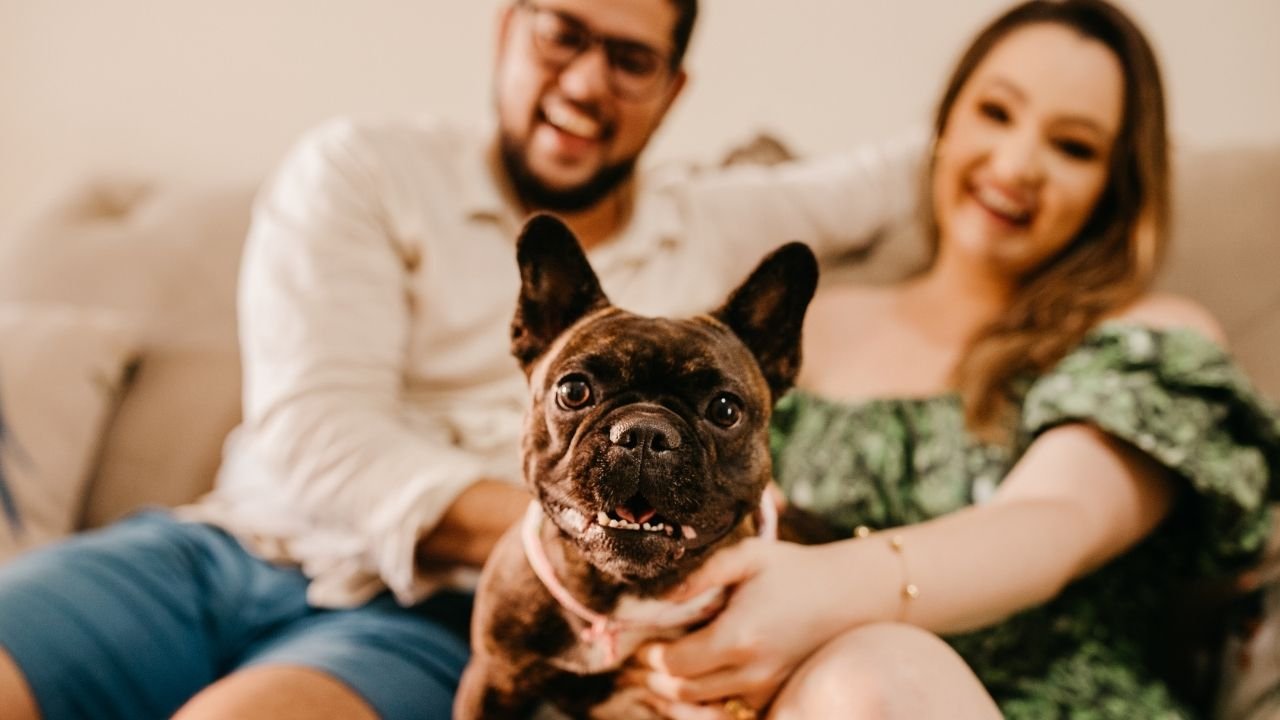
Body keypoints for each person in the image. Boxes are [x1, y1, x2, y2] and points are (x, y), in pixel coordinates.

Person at [0, 1, 924, 719]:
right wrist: (576, 528)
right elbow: (312, 433)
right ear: (508, 28)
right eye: (564, 33)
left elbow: (923, 165)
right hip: (226, 545)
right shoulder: (364, 168)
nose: (587, 81)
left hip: (427, 614)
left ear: (674, 88)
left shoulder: (721, 218)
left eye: (631, 58)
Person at [632, 1, 1280, 718]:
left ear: (1115, 188)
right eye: (996, 113)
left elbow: (1056, 519)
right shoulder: (800, 328)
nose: (1016, 165)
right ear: (944, 124)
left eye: (1073, 147)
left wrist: (823, 590)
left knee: (872, 672)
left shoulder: (1148, 337)